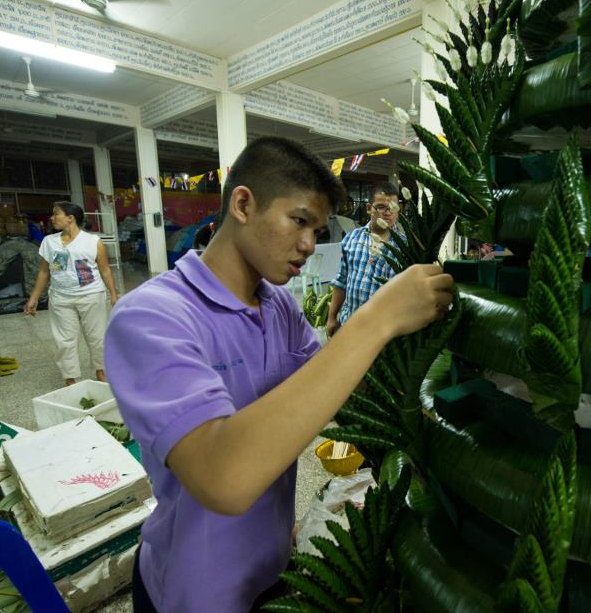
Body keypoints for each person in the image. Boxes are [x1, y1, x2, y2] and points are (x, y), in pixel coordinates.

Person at [103, 138, 453, 613]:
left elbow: (341, 394)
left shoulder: (279, 307)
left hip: (271, 573)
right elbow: (222, 475)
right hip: (193, 594)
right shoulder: (152, 317)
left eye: (318, 228)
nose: (310, 244)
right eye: (300, 221)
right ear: (244, 204)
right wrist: (375, 319)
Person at [24, 202, 118, 386]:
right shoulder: (49, 242)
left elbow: (105, 270)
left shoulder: (93, 241)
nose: (52, 218)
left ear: (70, 218)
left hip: (91, 295)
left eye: (55, 214)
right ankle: (70, 377)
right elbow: (44, 272)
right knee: (64, 340)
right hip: (61, 298)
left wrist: (113, 294)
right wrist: (33, 298)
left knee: (97, 337)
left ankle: (101, 370)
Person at [326, 183, 401, 337]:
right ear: (368, 208)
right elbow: (342, 281)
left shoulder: (405, 247)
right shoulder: (352, 238)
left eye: (393, 207)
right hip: (348, 326)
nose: (388, 213)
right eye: (381, 207)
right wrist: (332, 317)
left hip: (383, 334)